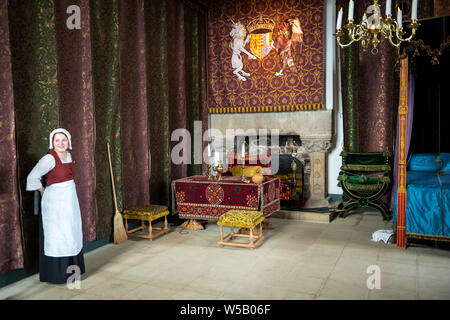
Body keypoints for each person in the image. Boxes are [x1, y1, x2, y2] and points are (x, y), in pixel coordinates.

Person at [26, 128, 85, 284]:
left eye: (63, 140)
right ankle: (57, 275)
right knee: (58, 236)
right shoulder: (49, 159)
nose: (60, 143)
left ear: (69, 142)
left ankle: (73, 273)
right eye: (57, 140)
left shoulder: (70, 156)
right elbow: (32, 177)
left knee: (71, 232)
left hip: (70, 201)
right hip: (55, 203)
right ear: (52, 143)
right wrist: (43, 191)